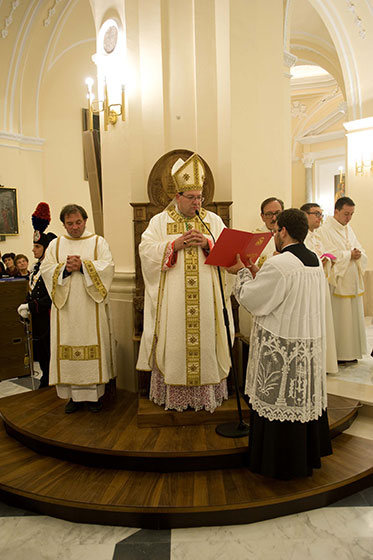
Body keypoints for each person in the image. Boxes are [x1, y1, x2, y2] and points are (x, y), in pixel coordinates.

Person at [228, 208, 332, 479]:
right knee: (299, 399)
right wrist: (254, 270)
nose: (274, 235)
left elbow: (253, 299)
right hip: (305, 343)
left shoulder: (280, 263)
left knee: (279, 397)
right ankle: (304, 459)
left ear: (283, 231)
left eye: (275, 231)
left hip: (281, 346)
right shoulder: (314, 261)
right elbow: (281, 292)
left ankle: (277, 464)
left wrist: (241, 273)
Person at [137, 153, 233, 412]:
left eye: (199, 197)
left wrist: (208, 244)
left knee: (205, 342)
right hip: (174, 301)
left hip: (207, 300)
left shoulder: (212, 220)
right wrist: (173, 246)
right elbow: (146, 251)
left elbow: (229, 255)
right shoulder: (160, 221)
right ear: (177, 196)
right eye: (191, 197)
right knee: (177, 343)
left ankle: (205, 395)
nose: (197, 202)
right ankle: (175, 394)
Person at [41, 203, 116, 413]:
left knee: (92, 343)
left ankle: (94, 398)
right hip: (65, 310)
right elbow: (45, 269)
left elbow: (108, 267)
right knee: (67, 346)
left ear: (85, 221)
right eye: (69, 223)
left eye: (78, 222)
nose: (74, 227)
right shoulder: (55, 245)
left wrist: (83, 266)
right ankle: (72, 397)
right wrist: (64, 268)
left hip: (90, 306)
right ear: (63, 224)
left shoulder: (98, 242)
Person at [318, 196, 367, 365]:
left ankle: (352, 352)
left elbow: (358, 247)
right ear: (336, 211)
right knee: (341, 319)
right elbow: (328, 254)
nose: (349, 218)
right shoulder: (325, 230)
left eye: (352, 214)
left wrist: (359, 254)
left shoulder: (348, 229)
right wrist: (348, 255)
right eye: (346, 214)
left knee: (353, 318)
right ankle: (339, 354)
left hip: (352, 281)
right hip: (338, 282)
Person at [17, 202, 56, 388]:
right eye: (33, 246)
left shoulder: (49, 269)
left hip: (47, 317)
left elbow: (50, 297)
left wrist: (30, 306)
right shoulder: (35, 269)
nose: (33, 250)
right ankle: (45, 376)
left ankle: (49, 379)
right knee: (39, 350)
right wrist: (25, 304)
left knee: (48, 350)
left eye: (37, 247)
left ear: (46, 248)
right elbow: (32, 292)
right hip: (37, 319)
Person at [300, 202, 338, 374]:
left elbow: (328, 254)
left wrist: (328, 260)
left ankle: (325, 363)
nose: (319, 218)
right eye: (315, 213)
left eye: (321, 214)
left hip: (320, 284)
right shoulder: (302, 238)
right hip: (308, 288)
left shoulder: (318, 236)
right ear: (304, 215)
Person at [256, 197, 284, 268]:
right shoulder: (255, 237)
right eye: (269, 214)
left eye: (277, 213)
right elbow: (251, 262)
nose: (274, 218)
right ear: (262, 217)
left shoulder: (290, 234)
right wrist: (271, 256)